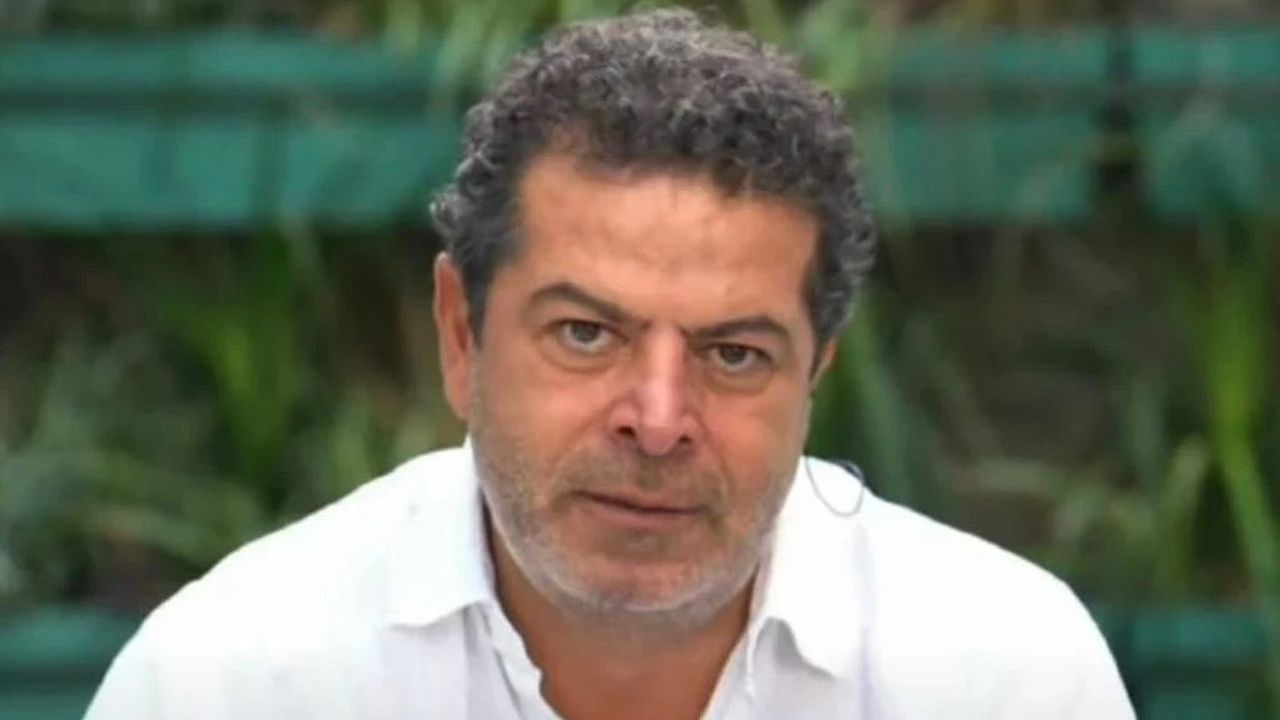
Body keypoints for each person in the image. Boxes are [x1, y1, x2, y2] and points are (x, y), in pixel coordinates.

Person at [86, 8, 1135, 720]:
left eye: (734, 353)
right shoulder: (233, 682)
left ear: (815, 370)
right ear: (461, 335)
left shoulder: (1003, 677)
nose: (658, 418)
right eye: (585, 335)